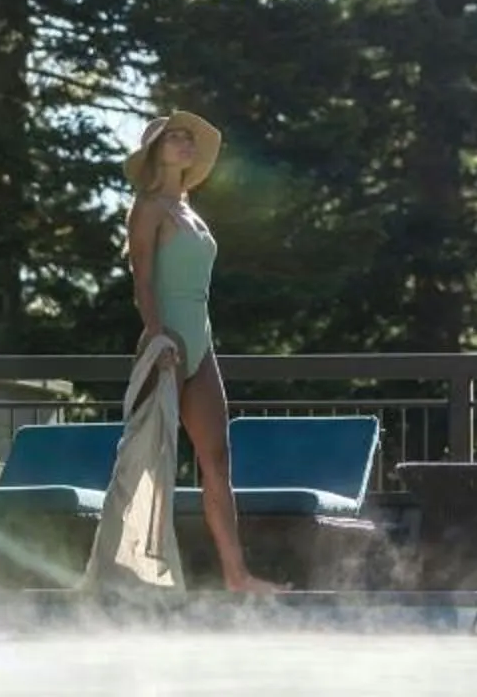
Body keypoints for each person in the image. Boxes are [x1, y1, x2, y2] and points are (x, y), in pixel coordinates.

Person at [125, 110, 278, 592]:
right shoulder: (148, 208)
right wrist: (159, 336)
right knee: (151, 459)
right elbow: (142, 281)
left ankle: (237, 574)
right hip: (166, 342)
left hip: (201, 342)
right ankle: (141, 572)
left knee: (217, 457)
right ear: (156, 151)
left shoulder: (189, 210)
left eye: (188, 138)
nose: (185, 143)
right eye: (174, 138)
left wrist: (191, 342)